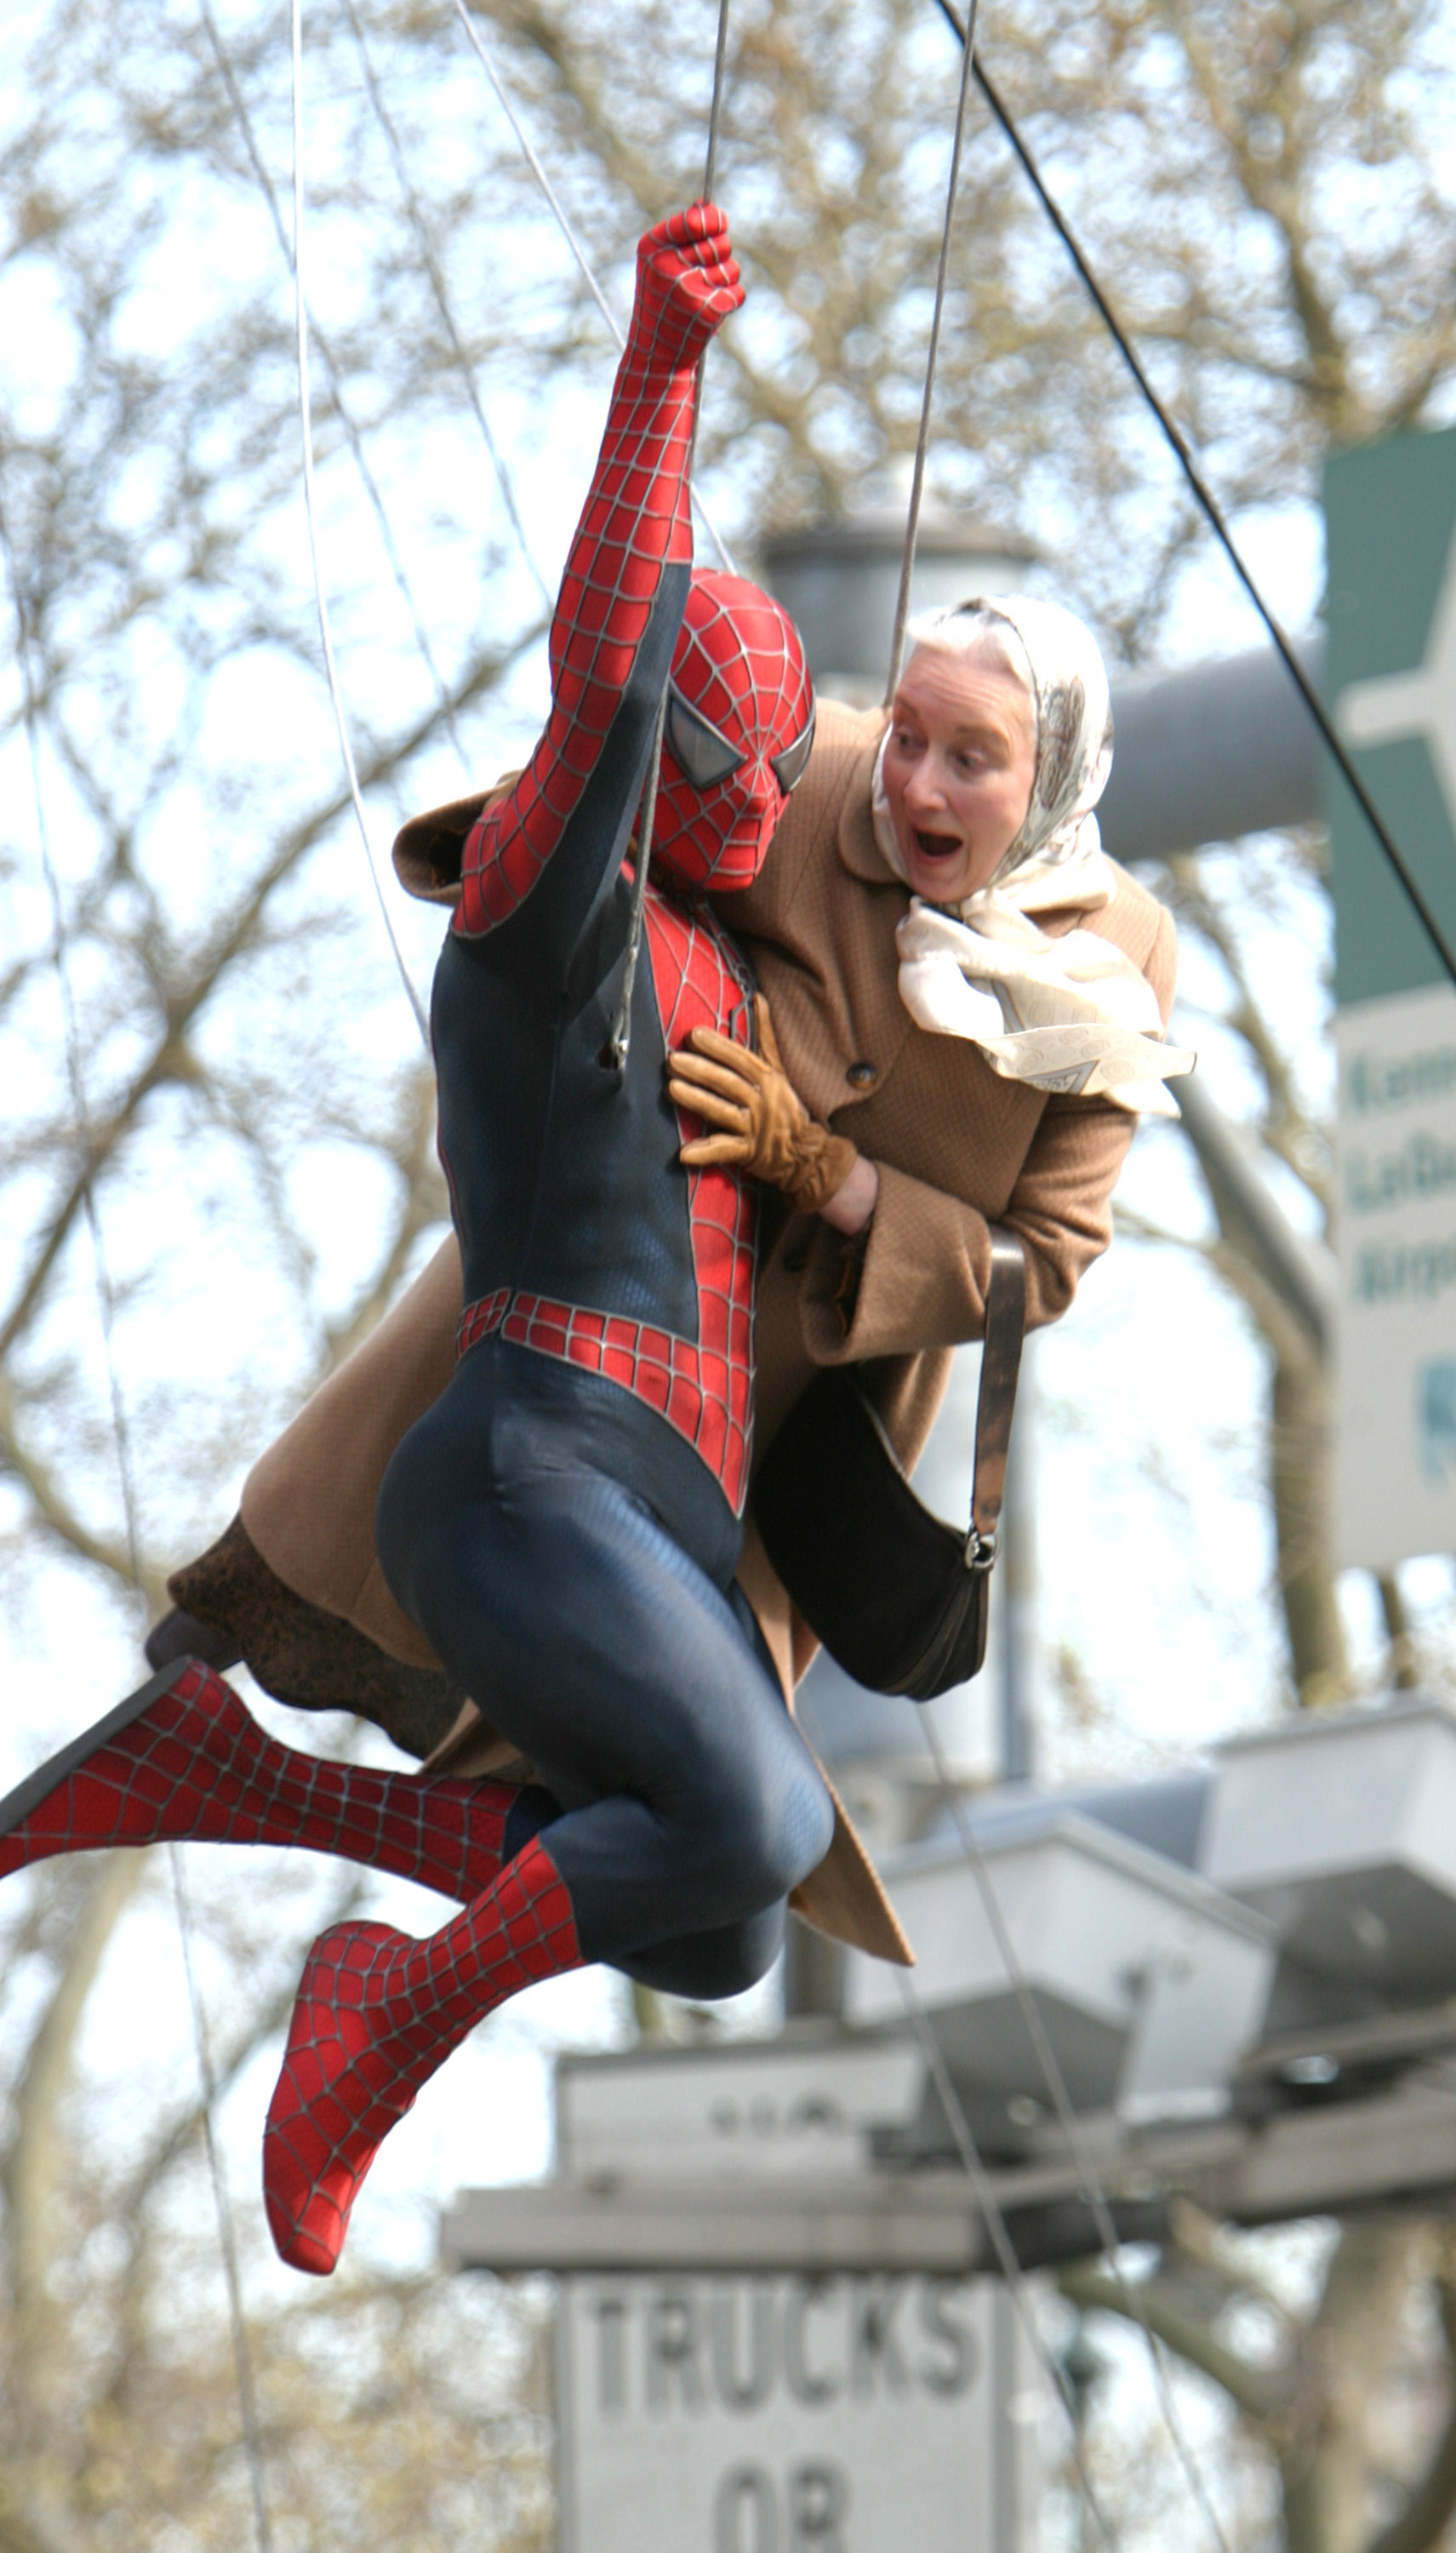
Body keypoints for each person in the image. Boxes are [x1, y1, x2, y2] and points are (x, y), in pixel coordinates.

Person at [1, 201, 836, 2279]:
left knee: (725, 1919)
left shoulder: (744, 976)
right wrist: (661, 361)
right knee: (760, 1822)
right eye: (723, 758)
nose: (758, 795)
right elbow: (604, 665)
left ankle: (243, 1780)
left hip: (655, 1521)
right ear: (662, 767)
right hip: (531, 1464)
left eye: (784, 763)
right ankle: (381, 2020)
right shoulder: (553, 923)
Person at [147, 580, 1187, 1962]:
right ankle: (308, 1905)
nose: (917, 779)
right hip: (583, 1324)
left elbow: (1041, 1263)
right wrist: (556, 831)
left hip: (766, 1433)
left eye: (972, 757)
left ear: (1049, 775)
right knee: (720, 1838)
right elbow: (582, 812)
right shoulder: (802, 769)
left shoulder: (1119, 963)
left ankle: (246, 1788)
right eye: (910, 736)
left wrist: (833, 1174)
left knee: (727, 1912)